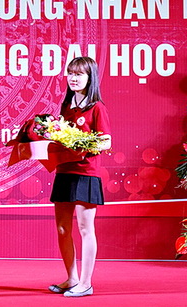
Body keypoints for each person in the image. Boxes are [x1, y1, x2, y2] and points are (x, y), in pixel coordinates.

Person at [48, 56, 111, 297]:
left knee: (85, 229)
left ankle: (86, 283)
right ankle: (71, 278)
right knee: (63, 228)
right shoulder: (67, 106)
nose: (73, 78)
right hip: (64, 172)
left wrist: (83, 143)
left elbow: (106, 142)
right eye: (71, 73)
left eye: (79, 74)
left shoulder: (97, 107)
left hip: (86, 173)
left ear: (90, 77)